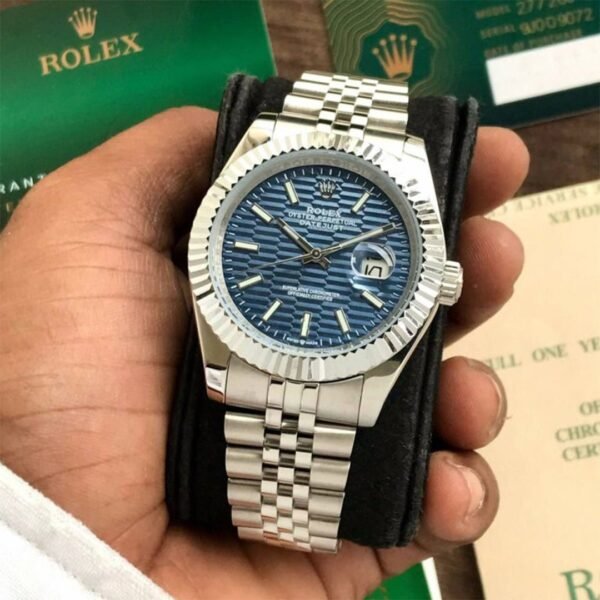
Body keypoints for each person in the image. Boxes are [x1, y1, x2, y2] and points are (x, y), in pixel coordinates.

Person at [0, 107, 528, 599]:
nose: (316, 258)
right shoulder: (270, 153)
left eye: (322, 254)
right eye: (310, 252)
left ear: (441, 279)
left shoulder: (392, 178)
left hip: (336, 366)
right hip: (248, 349)